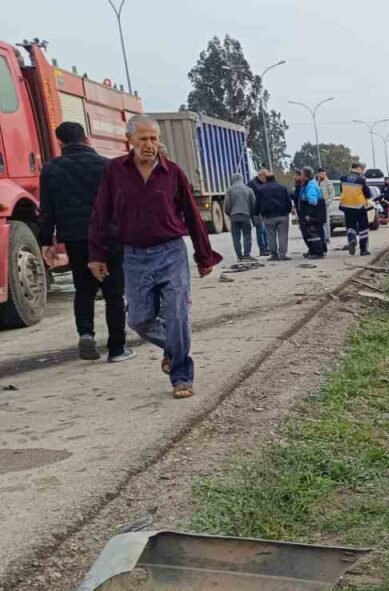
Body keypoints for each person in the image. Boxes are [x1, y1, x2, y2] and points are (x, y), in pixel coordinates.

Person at [88, 114, 223, 399]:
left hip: (171, 251)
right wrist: (96, 254)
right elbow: (101, 213)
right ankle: (174, 350)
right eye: (143, 138)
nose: (149, 144)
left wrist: (203, 255)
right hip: (134, 256)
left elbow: (191, 215)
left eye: (154, 138)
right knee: (138, 319)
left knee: (177, 315)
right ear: (129, 140)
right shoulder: (114, 171)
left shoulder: (173, 172)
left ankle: (181, 376)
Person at [36, 121, 132, 363]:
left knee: (84, 289)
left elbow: (46, 210)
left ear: (60, 143)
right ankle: (117, 348)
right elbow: (121, 204)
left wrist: (45, 241)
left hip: (75, 238)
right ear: (87, 139)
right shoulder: (107, 165)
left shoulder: (51, 169)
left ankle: (86, 333)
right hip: (108, 237)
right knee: (113, 292)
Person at [256, 173, 293, 260]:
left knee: (270, 236)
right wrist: (288, 211)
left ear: (266, 179)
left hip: (268, 216)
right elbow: (288, 201)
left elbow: (258, 203)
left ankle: (274, 255)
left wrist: (258, 213)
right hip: (282, 215)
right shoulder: (282, 187)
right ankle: (282, 254)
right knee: (283, 235)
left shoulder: (261, 189)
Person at [338, 163, 372, 256]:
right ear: (358, 168)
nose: (362, 171)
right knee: (363, 228)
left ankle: (352, 239)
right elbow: (368, 194)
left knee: (350, 227)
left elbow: (342, 191)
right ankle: (363, 250)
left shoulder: (343, 179)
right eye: (362, 169)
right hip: (359, 207)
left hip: (347, 207)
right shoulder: (362, 180)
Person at [223, 172, 257, 261]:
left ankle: (239, 255)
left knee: (235, 237)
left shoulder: (229, 190)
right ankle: (247, 254)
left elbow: (227, 205)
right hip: (246, 216)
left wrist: (229, 213)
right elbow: (253, 204)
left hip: (234, 216)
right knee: (247, 235)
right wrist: (252, 214)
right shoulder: (248, 190)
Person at [298, 167, 327, 259]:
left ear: (306, 176)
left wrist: (308, 214)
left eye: (301, 174)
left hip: (314, 214)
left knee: (314, 233)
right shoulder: (306, 185)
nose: (300, 176)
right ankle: (313, 250)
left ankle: (318, 252)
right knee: (309, 233)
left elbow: (313, 201)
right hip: (311, 212)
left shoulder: (310, 186)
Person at [247, 168, 271, 257]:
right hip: (256, 210)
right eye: (265, 177)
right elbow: (251, 198)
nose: (266, 179)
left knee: (265, 230)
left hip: (263, 209)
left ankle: (266, 247)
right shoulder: (252, 184)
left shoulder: (263, 183)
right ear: (261, 175)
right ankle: (262, 249)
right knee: (260, 229)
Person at [317, 168, 334, 247]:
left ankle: (327, 238)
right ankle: (320, 237)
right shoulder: (315, 182)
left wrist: (327, 202)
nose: (324, 175)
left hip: (324, 205)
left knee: (326, 222)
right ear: (318, 174)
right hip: (316, 205)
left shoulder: (328, 182)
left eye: (324, 174)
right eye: (322, 174)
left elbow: (332, 194)